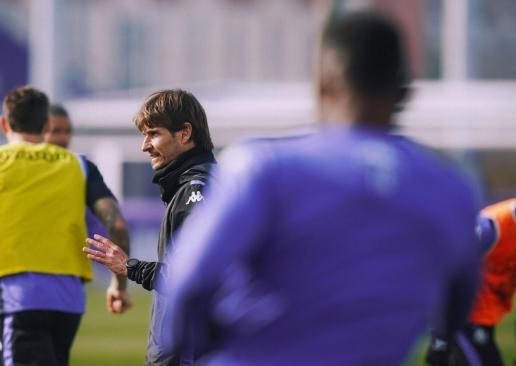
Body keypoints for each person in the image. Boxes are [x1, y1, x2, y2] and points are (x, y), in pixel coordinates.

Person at [158, 12, 481, 365]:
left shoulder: (264, 166)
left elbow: (187, 282)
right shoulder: (452, 187)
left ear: (325, 83)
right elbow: (455, 310)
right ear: (403, 91)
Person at [0, 87, 131, 366]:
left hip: (18, 296)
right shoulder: (80, 165)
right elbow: (117, 224)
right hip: (69, 300)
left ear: (4, 123)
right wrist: (119, 285)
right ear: (46, 125)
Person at [84, 89, 216, 365]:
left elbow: (193, 281)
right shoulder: (193, 187)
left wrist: (128, 266)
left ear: (184, 133)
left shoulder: (197, 191)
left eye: (153, 133)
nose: (145, 145)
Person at [426, 199, 516, 366]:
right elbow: (447, 272)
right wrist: (439, 337)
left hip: (488, 314)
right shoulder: (491, 228)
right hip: (463, 316)